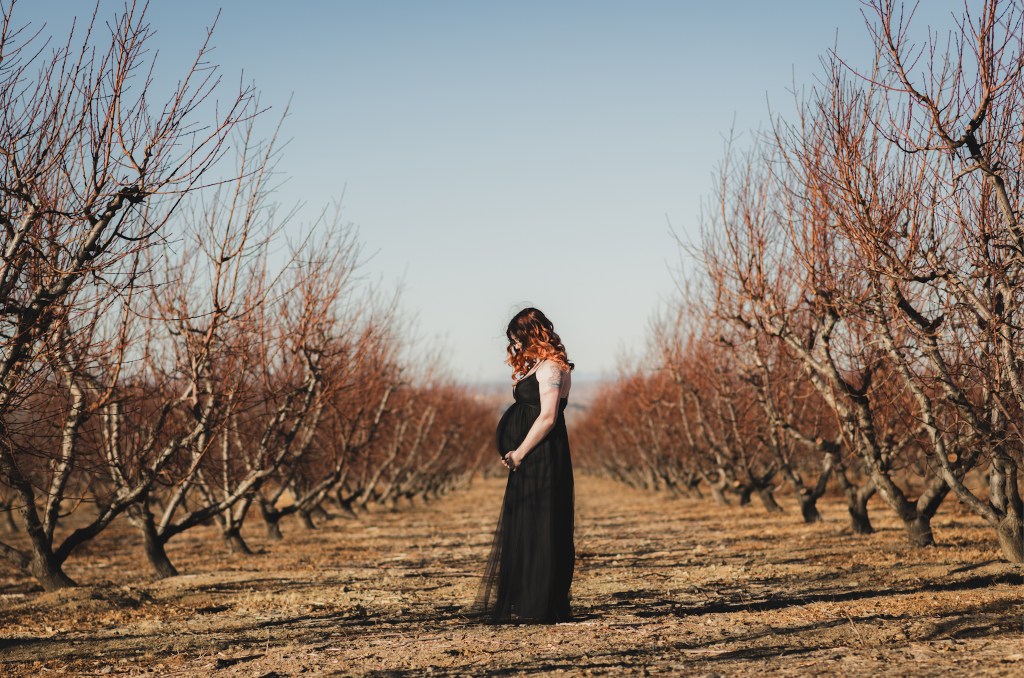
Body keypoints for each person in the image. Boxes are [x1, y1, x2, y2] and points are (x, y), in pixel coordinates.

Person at [474, 307, 575, 624]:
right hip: (530, 456)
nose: (516, 347)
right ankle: (528, 597)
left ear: (535, 335)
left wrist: (519, 452)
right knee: (527, 524)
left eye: (519, 340)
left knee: (543, 525)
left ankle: (542, 603)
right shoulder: (539, 366)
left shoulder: (553, 368)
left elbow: (548, 417)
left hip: (542, 456)